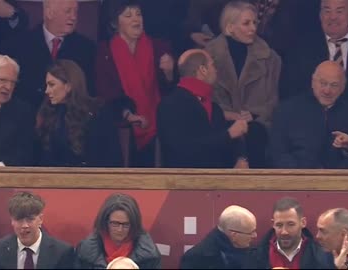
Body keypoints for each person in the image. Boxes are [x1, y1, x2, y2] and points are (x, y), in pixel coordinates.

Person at [280, 0, 348, 136]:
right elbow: (290, 92)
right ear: (320, 15)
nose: (332, 17)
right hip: (310, 130)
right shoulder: (299, 49)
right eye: (327, 11)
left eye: (339, 11)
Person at [95, 0, 176, 167]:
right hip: (122, 126)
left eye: (138, 14)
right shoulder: (105, 51)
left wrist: (169, 73)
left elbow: (170, 90)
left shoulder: (159, 47)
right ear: (114, 23)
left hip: (157, 124)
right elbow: (105, 91)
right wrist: (128, 114)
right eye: (128, 15)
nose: (136, 19)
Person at [205, 0, 281, 168]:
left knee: (255, 134)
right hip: (221, 123)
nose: (253, 28)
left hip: (256, 126)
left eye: (255, 22)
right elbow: (206, 98)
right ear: (230, 27)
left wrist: (253, 114)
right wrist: (229, 115)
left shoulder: (270, 58)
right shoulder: (208, 56)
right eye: (246, 23)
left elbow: (271, 101)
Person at [157, 49, 249, 168]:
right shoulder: (171, 104)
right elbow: (182, 149)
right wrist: (229, 134)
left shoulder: (214, 108)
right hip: (182, 181)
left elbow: (227, 143)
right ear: (203, 70)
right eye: (212, 65)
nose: (216, 70)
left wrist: (240, 158)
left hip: (218, 180)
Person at [271, 60, 348, 168]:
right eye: (323, 83)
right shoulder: (286, 110)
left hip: (340, 180)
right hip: (296, 178)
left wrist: (336, 178)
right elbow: (277, 153)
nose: (327, 90)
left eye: (334, 85)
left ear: (343, 87)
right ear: (313, 82)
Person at [4, 0, 96, 111]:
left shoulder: (86, 48)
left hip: (69, 116)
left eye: (76, 12)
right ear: (49, 13)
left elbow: (88, 91)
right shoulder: (19, 44)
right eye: (68, 11)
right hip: (28, 114)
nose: (74, 17)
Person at [36, 60, 123, 167]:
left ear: (68, 86)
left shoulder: (97, 112)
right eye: (46, 85)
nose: (46, 91)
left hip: (91, 178)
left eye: (51, 85)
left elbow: (110, 157)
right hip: (56, 180)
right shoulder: (50, 113)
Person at [0, 191, 75, 269]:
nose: (24, 225)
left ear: (40, 219)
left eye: (30, 219)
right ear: (12, 220)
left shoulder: (62, 252)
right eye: (19, 219)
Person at [75, 193, 161, 269]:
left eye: (126, 224)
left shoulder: (150, 256)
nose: (120, 229)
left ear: (134, 224)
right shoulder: (84, 252)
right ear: (105, 222)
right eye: (115, 223)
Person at [251, 197, 330, 269]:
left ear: (303, 222)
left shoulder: (321, 256)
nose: (284, 232)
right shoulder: (255, 255)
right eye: (279, 225)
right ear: (273, 224)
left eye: (290, 224)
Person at [180, 205, 257, 269]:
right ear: (234, 235)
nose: (255, 235)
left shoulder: (252, 252)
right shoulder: (195, 259)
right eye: (251, 233)